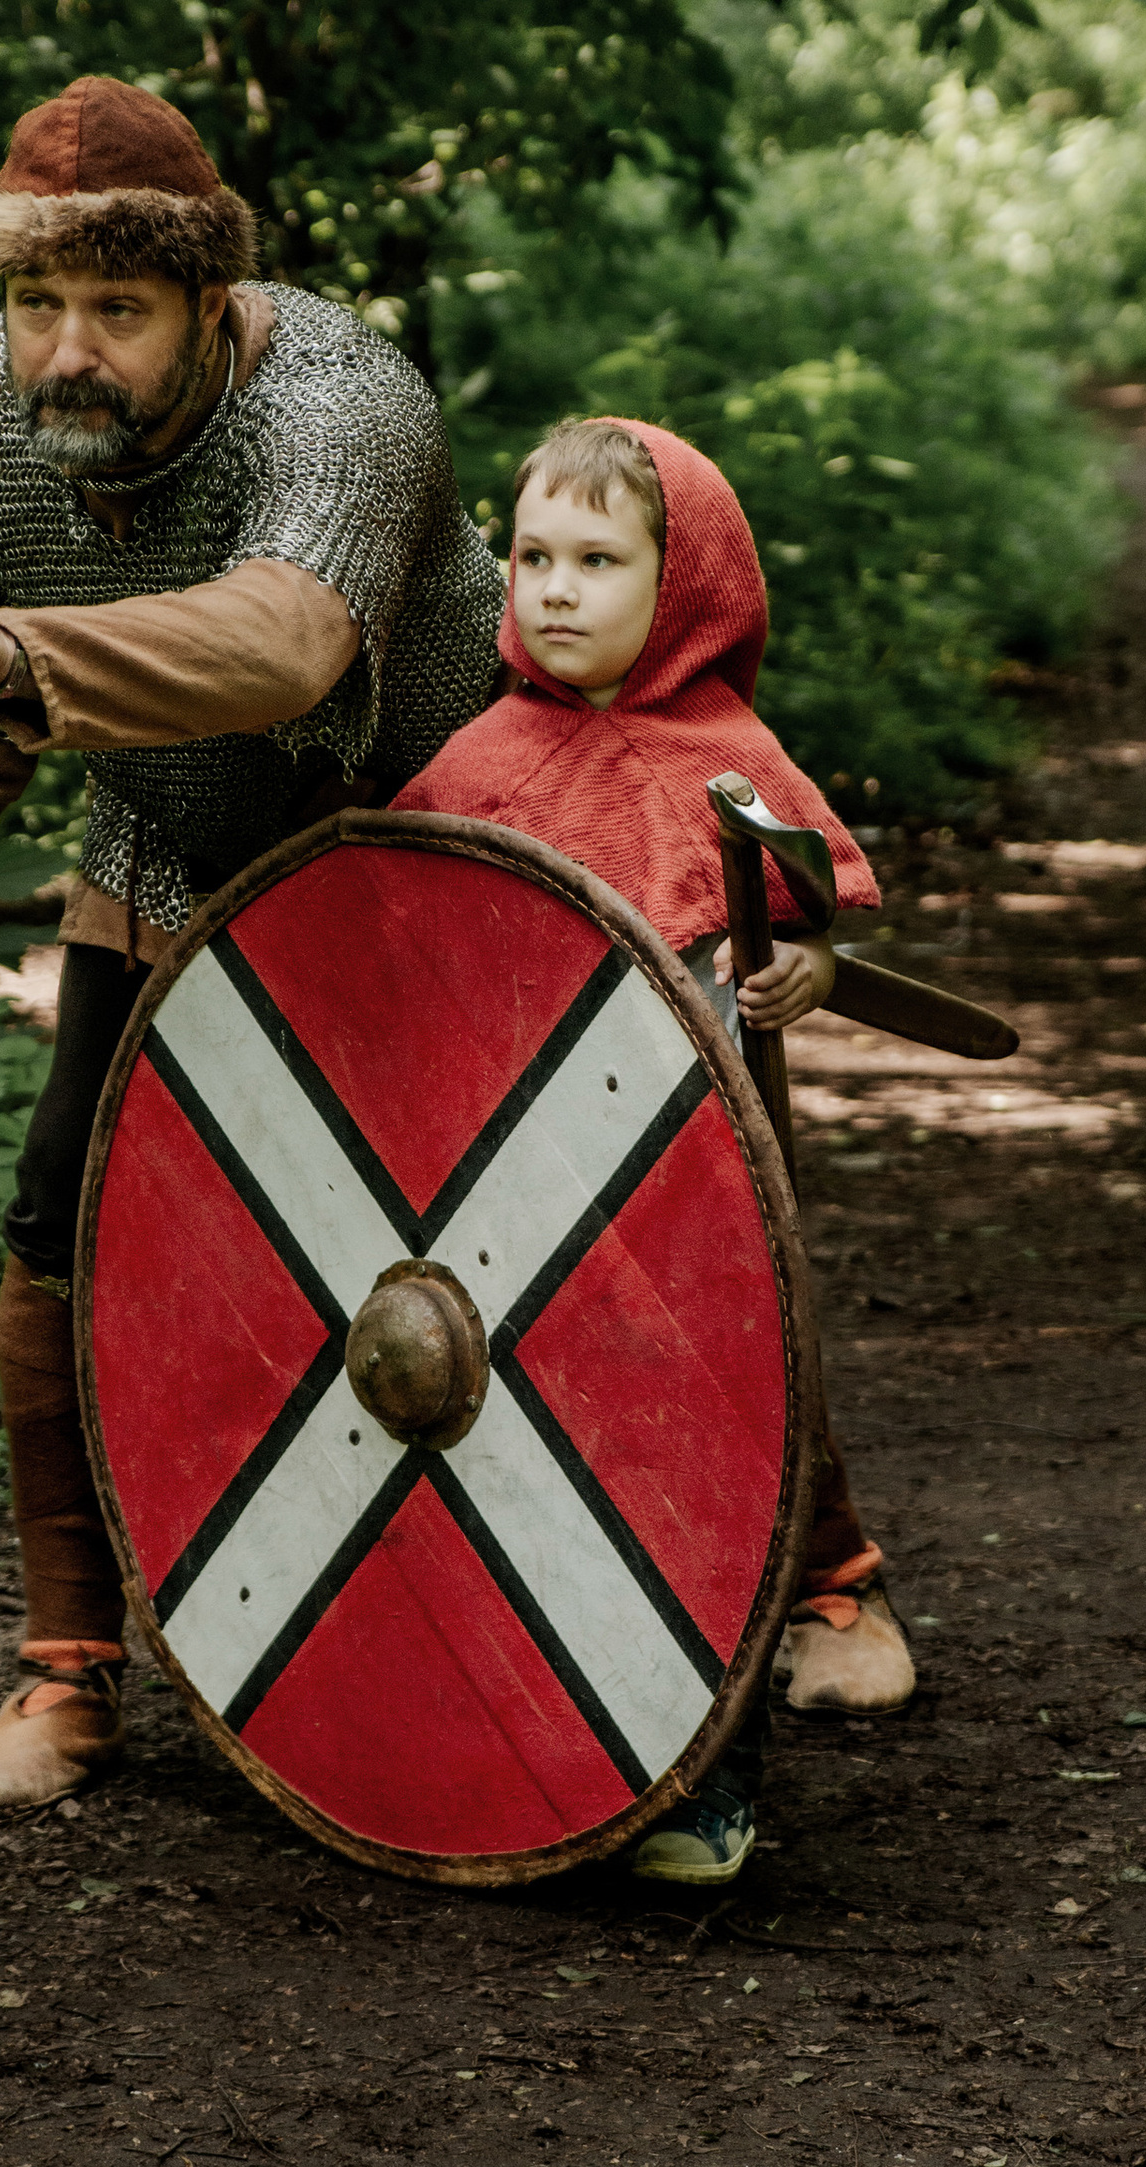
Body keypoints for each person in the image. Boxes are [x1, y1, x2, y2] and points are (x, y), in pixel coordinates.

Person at [0, 75, 502, 1814]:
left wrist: (1, 648)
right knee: (58, 1230)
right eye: (33, 302)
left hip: (450, 858)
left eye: (118, 310)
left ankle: (815, 1574)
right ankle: (69, 1674)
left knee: (587, 1231)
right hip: (171, 856)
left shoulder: (341, 399)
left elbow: (285, 642)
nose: (68, 349)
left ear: (208, 307)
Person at [390, 412, 919, 1887]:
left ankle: (702, 1777)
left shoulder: (726, 761)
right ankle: (525, 1727)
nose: (555, 589)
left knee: (698, 1449)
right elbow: (403, 938)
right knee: (525, 1448)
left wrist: (802, 969)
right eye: (537, 555)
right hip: (507, 1191)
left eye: (600, 560)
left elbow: (802, 916)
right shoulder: (480, 757)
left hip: (688, 1198)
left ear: (686, 588)